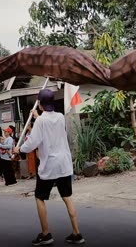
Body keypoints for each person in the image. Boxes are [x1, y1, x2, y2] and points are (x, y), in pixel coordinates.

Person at [14, 89, 84, 245]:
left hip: (49, 166)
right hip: (64, 164)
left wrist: (19, 149)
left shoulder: (40, 121)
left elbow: (33, 142)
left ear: (40, 103)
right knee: (67, 197)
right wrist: (39, 117)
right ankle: (77, 233)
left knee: (40, 197)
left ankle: (45, 234)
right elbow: (49, 124)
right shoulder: (59, 117)